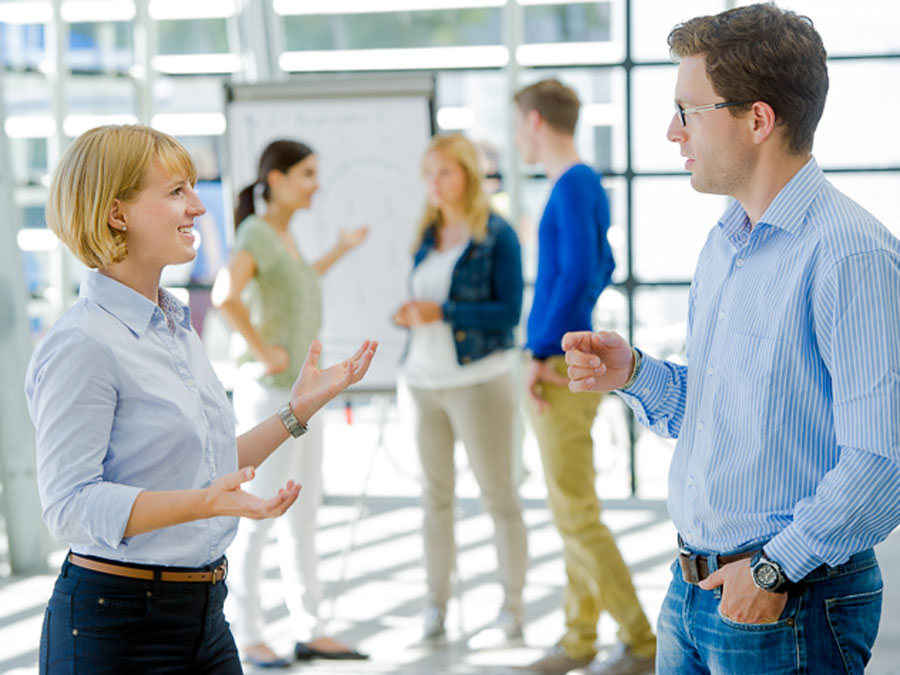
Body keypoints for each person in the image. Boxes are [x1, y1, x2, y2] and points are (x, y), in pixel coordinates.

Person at [563, 4, 900, 673]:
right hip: (692, 589)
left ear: (757, 118)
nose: (671, 131)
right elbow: (726, 415)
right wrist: (633, 372)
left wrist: (774, 570)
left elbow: (881, 459)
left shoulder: (849, 256)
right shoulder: (727, 243)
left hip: (788, 602)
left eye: (688, 111)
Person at [25, 124, 376, 674]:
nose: (199, 207)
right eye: (175, 192)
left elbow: (211, 467)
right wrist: (201, 503)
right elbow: (69, 507)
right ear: (118, 214)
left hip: (204, 616)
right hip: (113, 627)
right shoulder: (83, 343)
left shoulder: (175, 326)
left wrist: (298, 409)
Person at [513, 79, 657, 675]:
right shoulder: (584, 183)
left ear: (535, 121)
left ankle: (641, 640)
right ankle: (578, 636)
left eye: (518, 124)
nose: (517, 135)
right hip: (570, 357)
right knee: (574, 505)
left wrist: (542, 348)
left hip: (557, 364)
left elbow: (576, 274)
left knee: (575, 513)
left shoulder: (571, 185)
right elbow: (604, 265)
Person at [212, 139, 369, 667]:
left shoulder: (285, 236)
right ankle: (249, 630)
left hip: (301, 395)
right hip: (270, 394)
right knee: (259, 511)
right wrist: (262, 348)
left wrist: (341, 250)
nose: (315, 184)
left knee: (300, 512)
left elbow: (297, 286)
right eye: (306, 174)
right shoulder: (255, 232)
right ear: (275, 180)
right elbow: (223, 295)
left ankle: (310, 626)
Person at [393, 133, 528, 644]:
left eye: (444, 172)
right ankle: (436, 607)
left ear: (468, 175)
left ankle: (512, 610)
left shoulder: (498, 233)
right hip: (421, 381)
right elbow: (424, 298)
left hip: (479, 381)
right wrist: (413, 314)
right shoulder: (426, 233)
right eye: (428, 173)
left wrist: (443, 313)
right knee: (435, 500)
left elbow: (508, 313)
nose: (434, 183)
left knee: (500, 497)